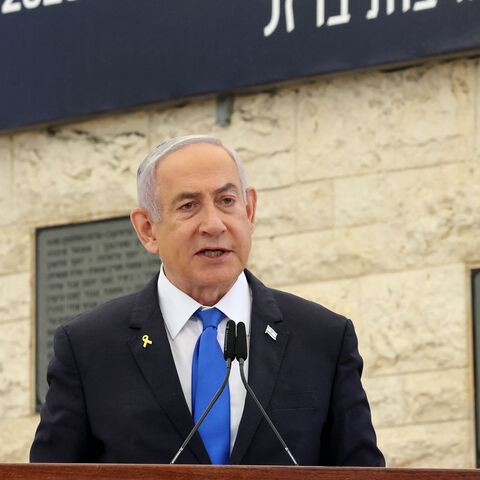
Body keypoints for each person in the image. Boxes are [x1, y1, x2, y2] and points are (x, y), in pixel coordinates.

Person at [30, 135, 385, 466]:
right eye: (188, 205)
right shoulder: (88, 347)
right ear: (147, 229)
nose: (213, 224)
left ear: (250, 210)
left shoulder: (323, 338)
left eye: (227, 201)